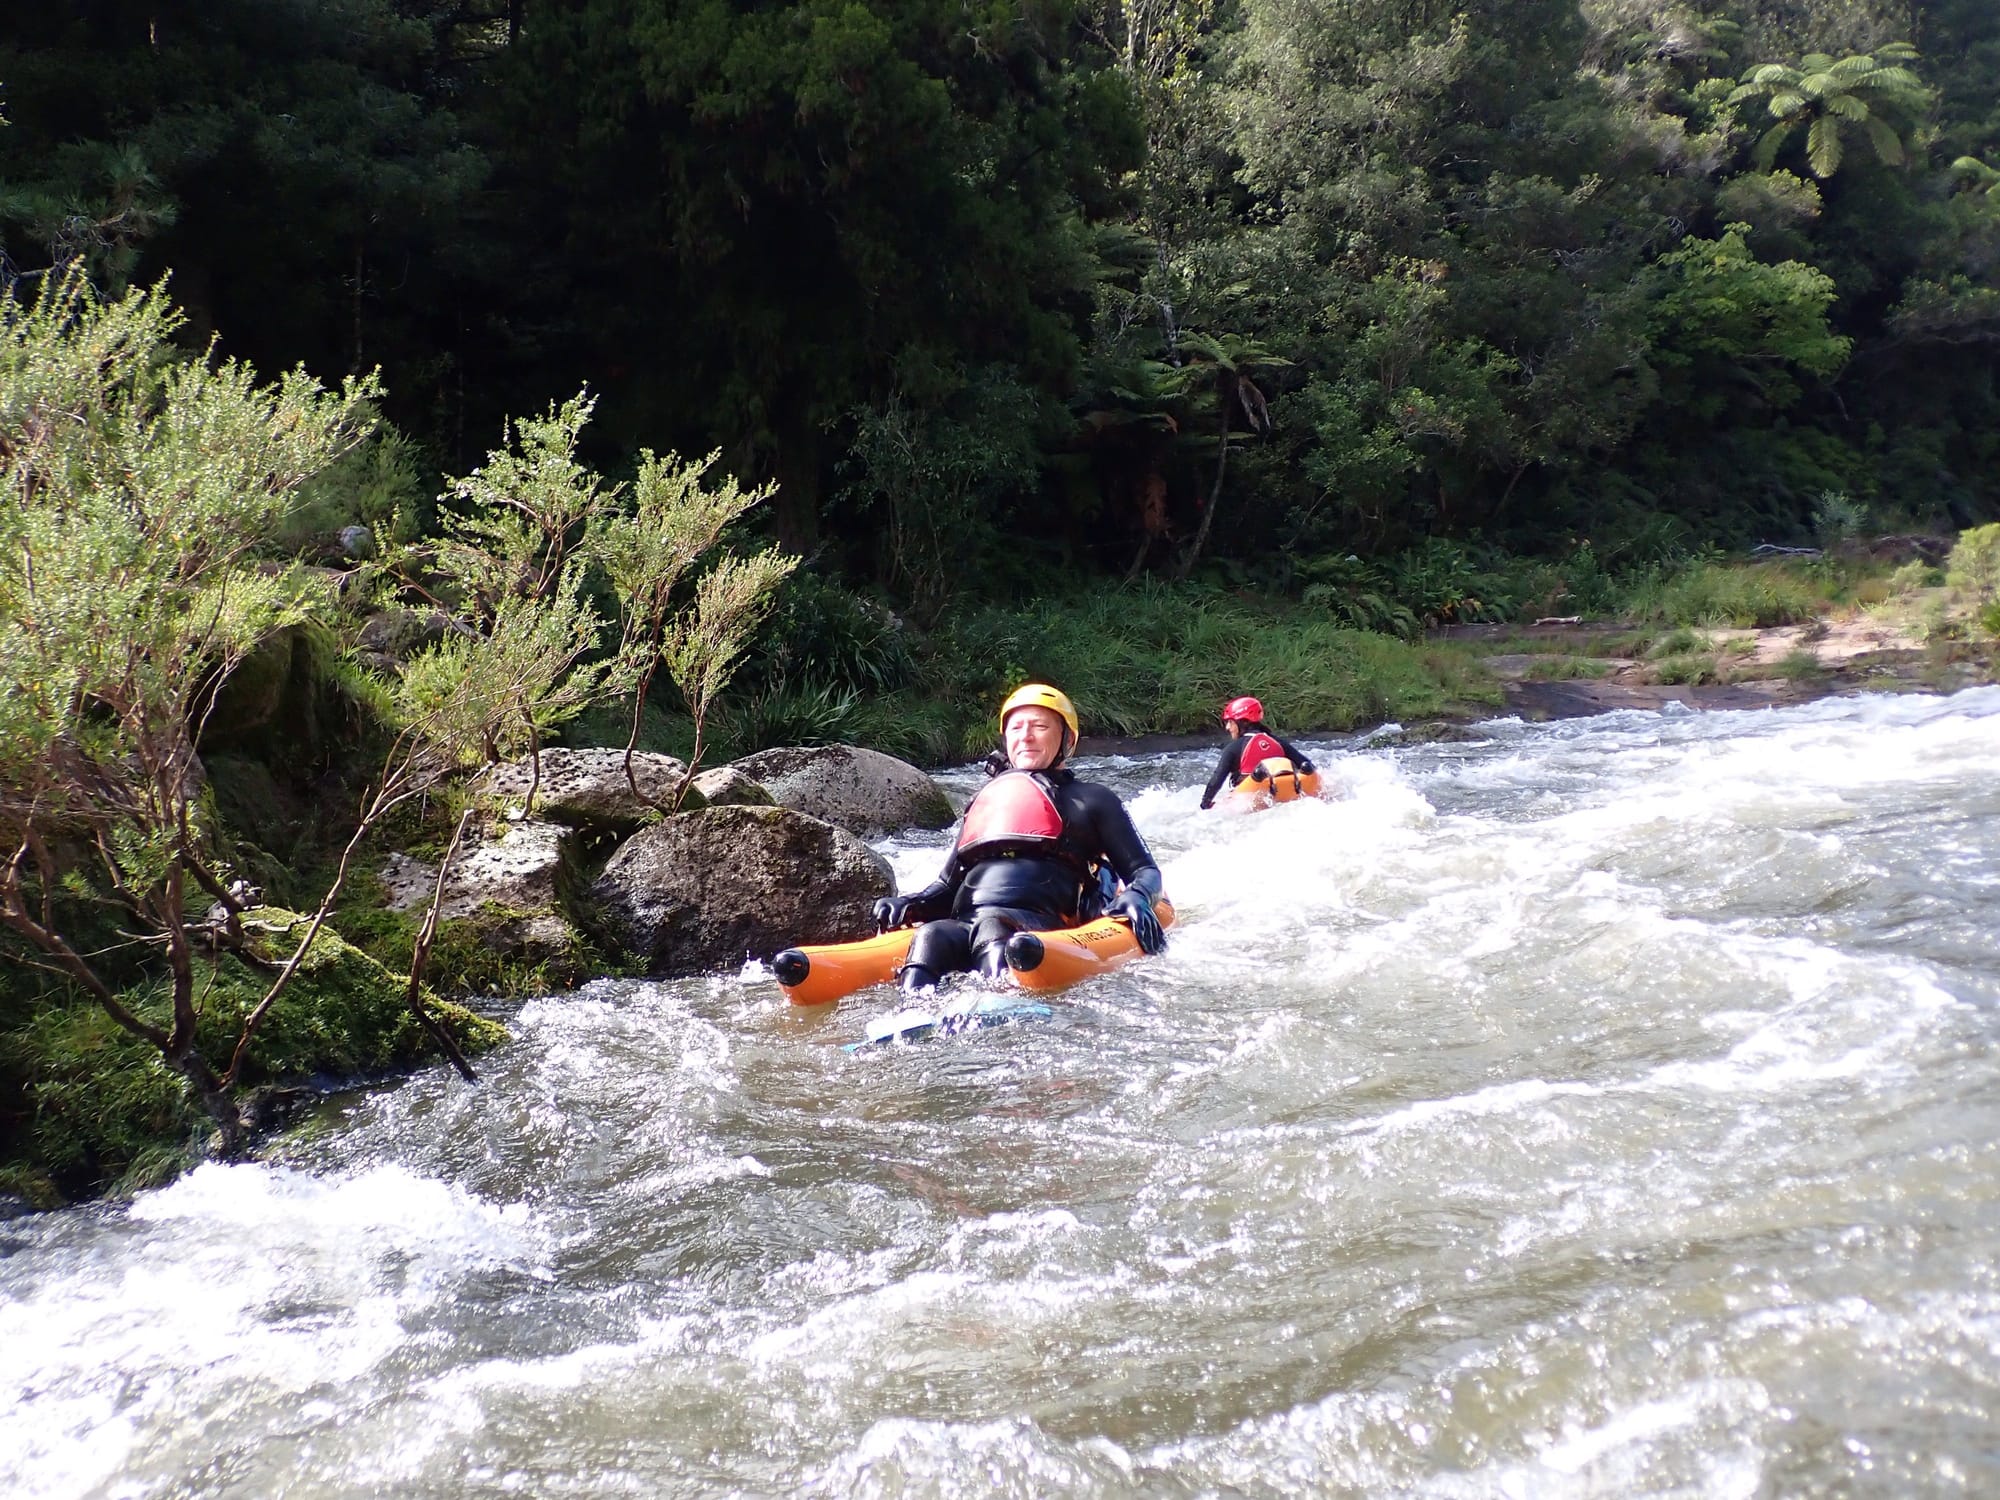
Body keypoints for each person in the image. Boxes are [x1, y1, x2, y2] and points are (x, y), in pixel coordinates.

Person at [873, 684, 1167, 992]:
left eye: (1040, 727)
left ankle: (1000, 1001)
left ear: (1067, 739)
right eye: (1016, 728)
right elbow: (948, 885)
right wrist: (912, 902)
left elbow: (1145, 871)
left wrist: (1138, 895)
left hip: (1032, 927)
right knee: (931, 936)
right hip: (968, 921)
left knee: (993, 928)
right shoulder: (987, 800)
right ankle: (908, 1011)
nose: (1025, 736)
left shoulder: (1093, 800)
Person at [1199, 695, 1317, 810]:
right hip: (1282, 798)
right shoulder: (1279, 743)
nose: (1227, 727)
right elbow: (1308, 767)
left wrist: (1205, 804)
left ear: (1243, 722)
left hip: (1249, 801)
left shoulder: (1233, 748)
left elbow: (1216, 780)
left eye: (1230, 722)